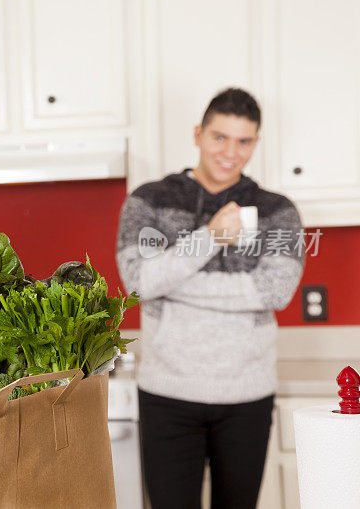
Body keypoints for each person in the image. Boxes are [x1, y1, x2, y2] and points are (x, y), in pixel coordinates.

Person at [116, 88, 305, 508]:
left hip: (247, 397)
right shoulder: (149, 201)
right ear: (198, 134)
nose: (230, 152)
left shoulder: (278, 211)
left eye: (244, 141)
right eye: (220, 137)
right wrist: (211, 238)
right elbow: (138, 283)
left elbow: (274, 291)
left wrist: (172, 282)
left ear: (255, 143)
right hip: (167, 395)